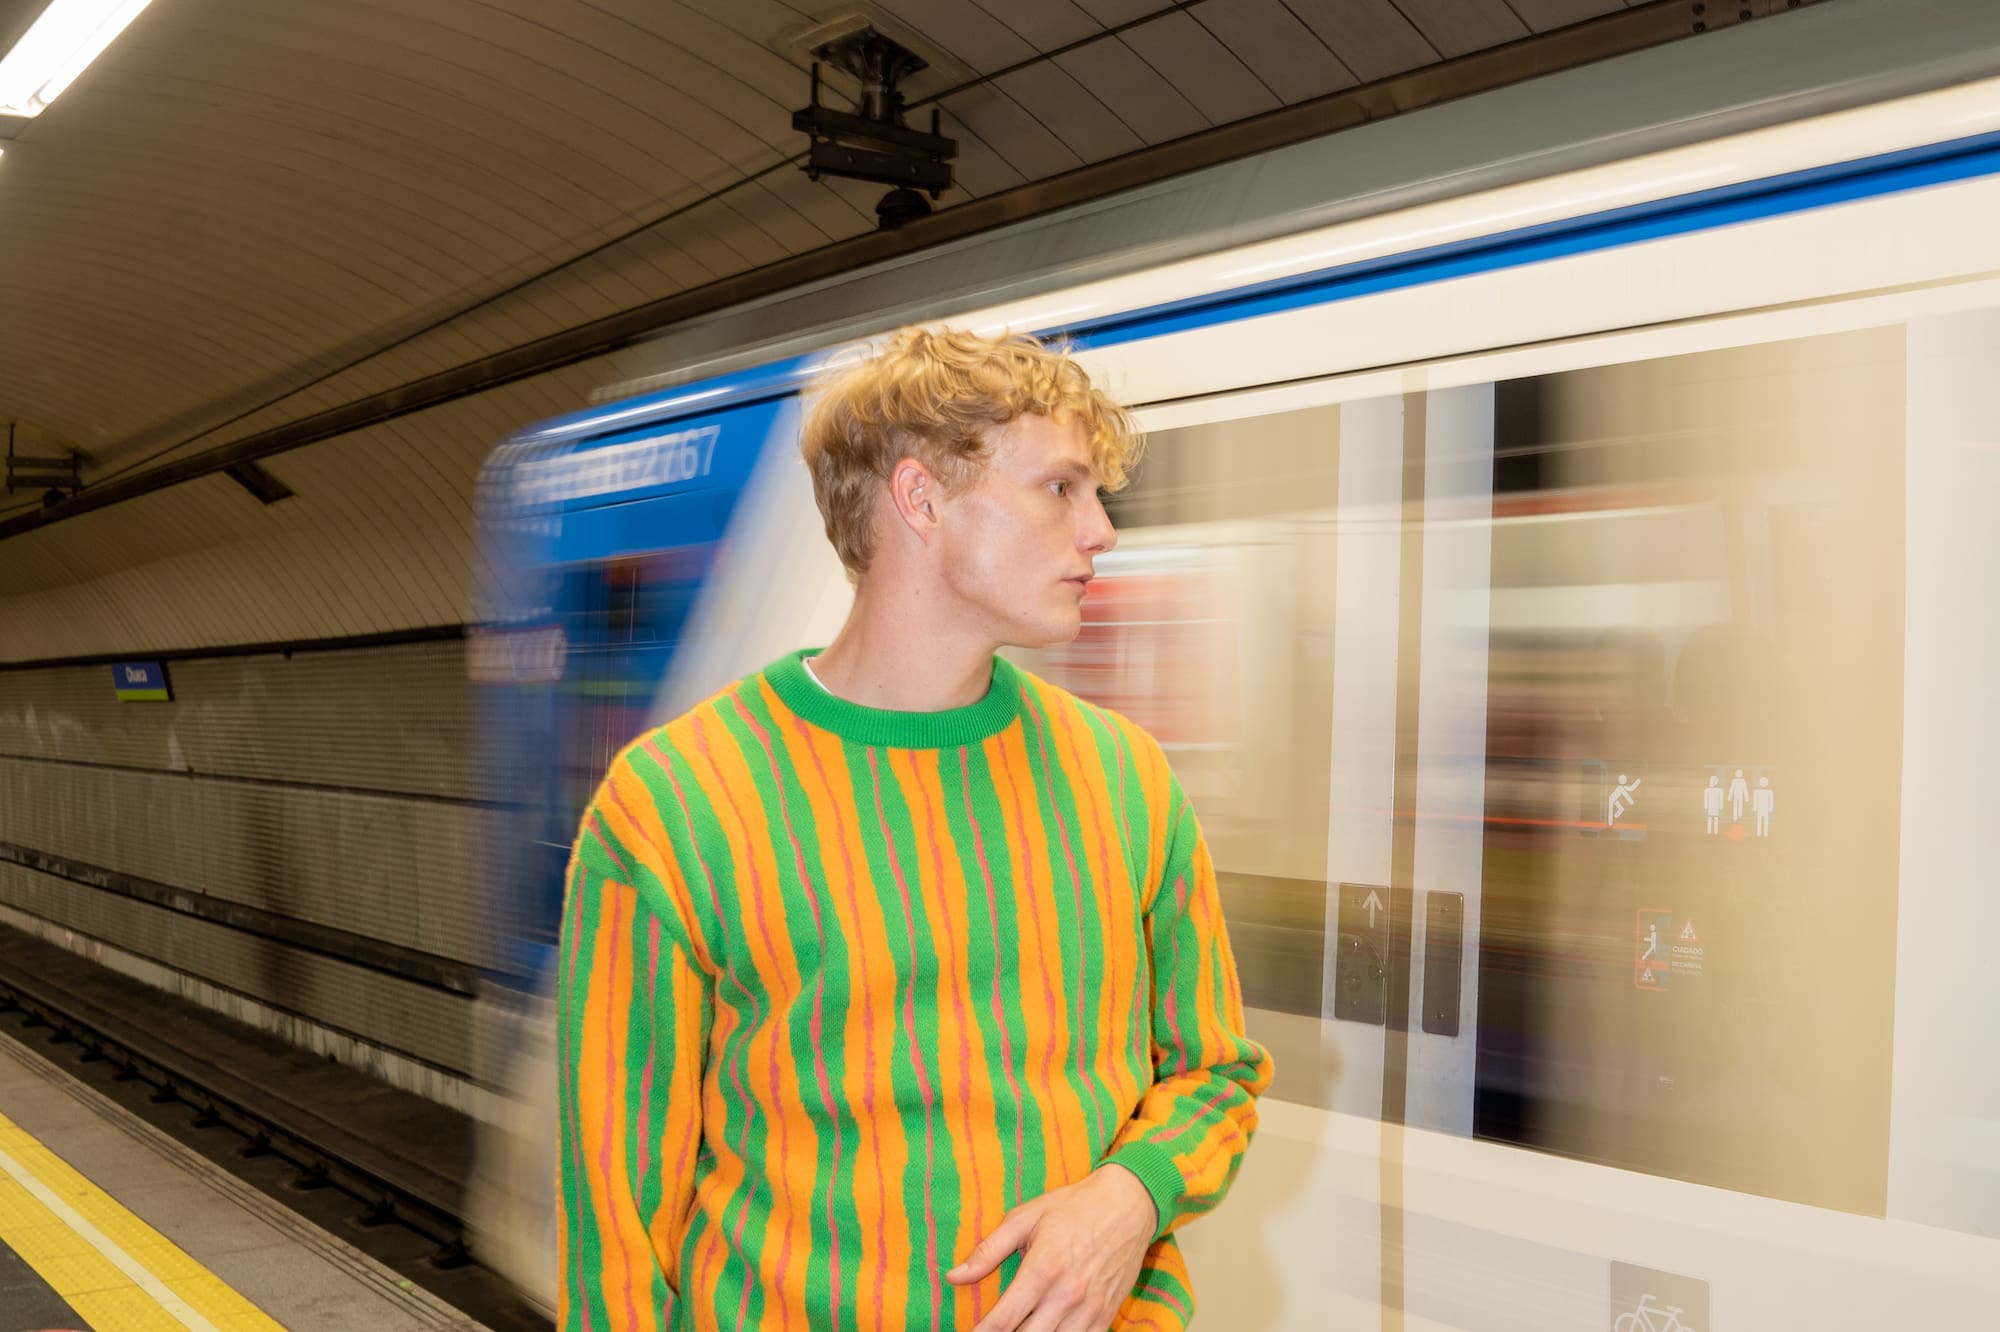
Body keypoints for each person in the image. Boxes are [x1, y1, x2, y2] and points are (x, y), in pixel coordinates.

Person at [555, 327, 1273, 1332]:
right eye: (1059, 488)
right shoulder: (674, 804)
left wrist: (1128, 1197)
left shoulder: (1126, 781)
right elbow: (616, 1223)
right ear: (920, 500)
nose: (1100, 529)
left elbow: (1215, 1072)